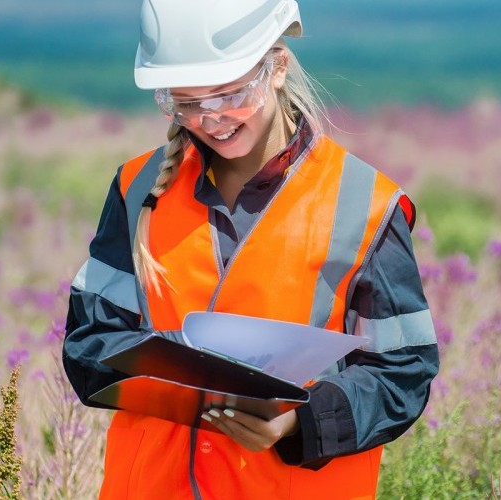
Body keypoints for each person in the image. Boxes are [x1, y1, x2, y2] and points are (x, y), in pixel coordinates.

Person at [61, 1, 440, 498]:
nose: (211, 118)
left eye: (229, 94)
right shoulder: (137, 189)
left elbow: (402, 374)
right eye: (186, 103)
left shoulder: (365, 206)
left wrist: (295, 421)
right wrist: (176, 366)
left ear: (277, 67)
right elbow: (89, 345)